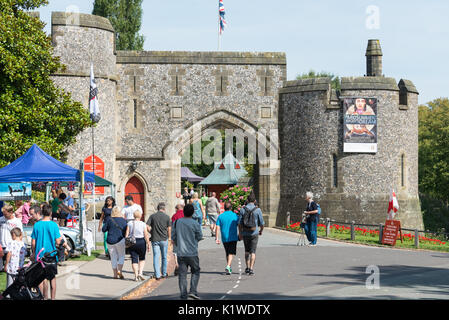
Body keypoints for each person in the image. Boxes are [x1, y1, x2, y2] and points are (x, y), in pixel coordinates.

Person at [31, 204, 63, 300]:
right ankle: (52, 298)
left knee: (40, 279)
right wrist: (62, 242)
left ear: (41, 212)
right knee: (52, 278)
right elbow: (58, 241)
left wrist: (33, 253)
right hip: (51, 255)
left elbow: (33, 242)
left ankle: (43, 297)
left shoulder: (37, 225)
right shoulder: (54, 225)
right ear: (50, 213)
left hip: (39, 256)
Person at [171, 204, 203, 300]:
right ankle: (193, 291)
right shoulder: (195, 223)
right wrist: (194, 241)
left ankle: (183, 294)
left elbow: (173, 237)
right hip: (192, 252)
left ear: (183, 212)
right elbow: (199, 236)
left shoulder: (176, 222)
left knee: (182, 274)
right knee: (196, 271)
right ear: (193, 212)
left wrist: (179, 243)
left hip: (181, 252)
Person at [238, 192, 264, 276]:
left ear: (247, 200)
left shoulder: (242, 209)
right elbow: (262, 223)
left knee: (246, 251)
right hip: (254, 233)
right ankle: (252, 269)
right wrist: (261, 230)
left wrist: (240, 233)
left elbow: (239, 223)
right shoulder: (258, 210)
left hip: (245, 233)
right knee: (253, 252)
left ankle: (247, 267)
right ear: (254, 200)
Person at [147, 203, 172, 280]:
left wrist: (151, 232)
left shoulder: (152, 216)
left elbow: (147, 226)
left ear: (157, 208)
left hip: (155, 239)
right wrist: (170, 237)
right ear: (164, 209)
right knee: (164, 257)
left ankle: (157, 275)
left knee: (156, 256)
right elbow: (169, 229)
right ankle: (164, 273)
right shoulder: (167, 217)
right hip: (164, 239)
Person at [102, 206, 127, 279]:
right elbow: (126, 230)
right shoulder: (123, 220)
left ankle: (115, 275)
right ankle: (119, 270)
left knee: (113, 257)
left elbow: (103, 229)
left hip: (110, 241)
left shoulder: (109, 220)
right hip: (120, 240)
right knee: (121, 256)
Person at [215, 201, 239, 275]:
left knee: (227, 252)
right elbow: (239, 225)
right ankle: (228, 266)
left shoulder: (220, 216)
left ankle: (229, 267)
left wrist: (217, 238)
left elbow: (217, 228)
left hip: (224, 237)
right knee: (231, 252)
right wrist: (240, 234)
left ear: (224, 208)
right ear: (231, 208)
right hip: (233, 237)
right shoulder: (235, 215)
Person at [126, 210, 150, 281]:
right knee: (142, 258)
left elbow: (127, 233)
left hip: (132, 242)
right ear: (140, 216)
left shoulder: (130, 223)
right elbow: (145, 234)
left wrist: (126, 241)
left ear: (133, 216)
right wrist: (148, 243)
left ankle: (136, 276)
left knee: (134, 259)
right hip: (141, 241)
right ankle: (140, 273)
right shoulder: (143, 224)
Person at [0, 205, 23, 272]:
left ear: (11, 212)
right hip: (1, 245)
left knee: (11, 267)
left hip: (11, 246)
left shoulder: (17, 221)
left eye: (6, 214)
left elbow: (20, 234)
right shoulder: (1, 219)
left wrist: (18, 245)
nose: (4, 215)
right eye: (3, 214)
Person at [171, 203, 184, 276]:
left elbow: (173, 228)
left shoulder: (174, 216)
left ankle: (177, 264)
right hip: (184, 236)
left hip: (176, 236)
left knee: (175, 251)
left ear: (176, 209)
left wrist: (172, 238)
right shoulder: (185, 214)